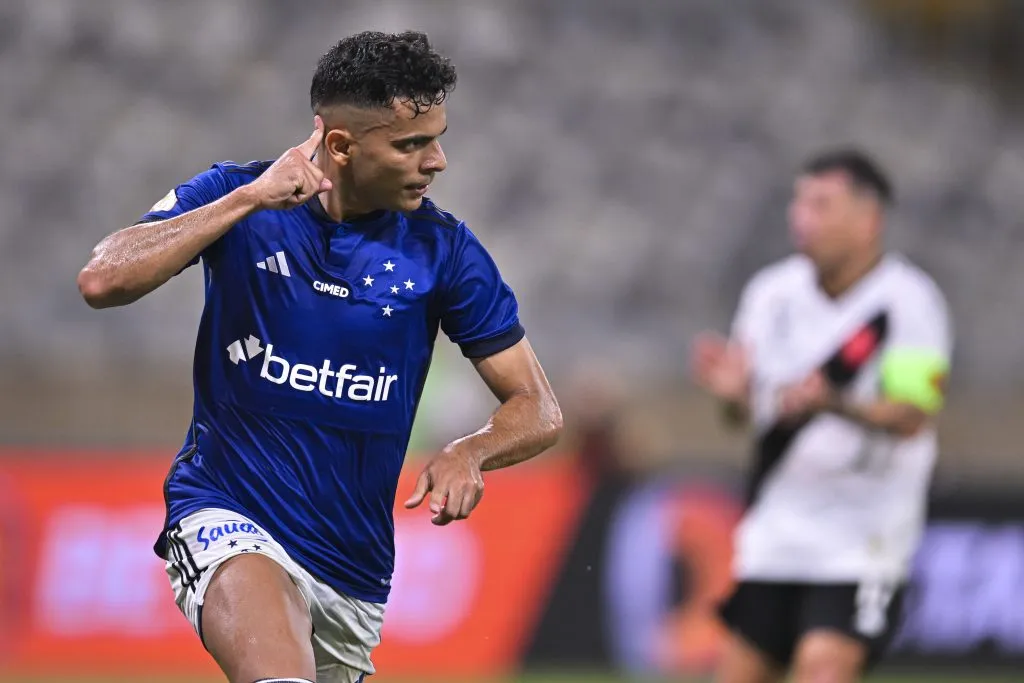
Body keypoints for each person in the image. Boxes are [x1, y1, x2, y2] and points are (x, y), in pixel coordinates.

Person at [77, 30, 562, 683]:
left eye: (437, 137)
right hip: (227, 513)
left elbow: (537, 406)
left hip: (352, 567)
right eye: (412, 144)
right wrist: (247, 199)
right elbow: (103, 279)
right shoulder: (239, 197)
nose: (438, 160)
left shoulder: (444, 251)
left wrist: (471, 450)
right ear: (340, 144)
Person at [690, 149, 952, 683]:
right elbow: (741, 419)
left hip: (864, 536)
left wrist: (832, 403)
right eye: (800, 202)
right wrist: (731, 396)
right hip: (778, 530)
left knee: (824, 668)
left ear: (868, 220)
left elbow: (912, 416)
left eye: (821, 204)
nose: (801, 217)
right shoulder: (770, 294)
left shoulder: (909, 302)